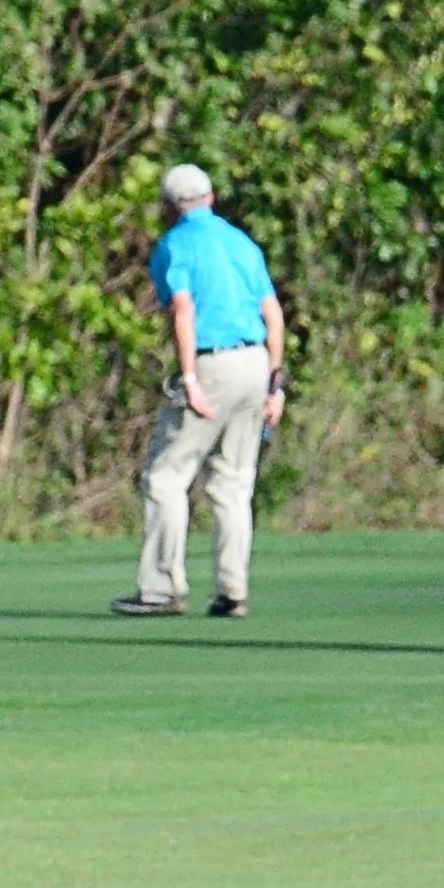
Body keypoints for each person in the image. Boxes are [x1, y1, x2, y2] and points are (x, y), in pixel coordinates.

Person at [112, 164, 285, 618]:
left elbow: (183, 309)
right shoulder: (241, 242)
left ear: (168, 207)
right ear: (211, 197)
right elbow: (273, 313)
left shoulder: (175, 245)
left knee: (166, 476)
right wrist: (276, 384)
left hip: (213, 363)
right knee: (232, 482)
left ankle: (161, 588)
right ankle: (233, 592)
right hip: (256, 362)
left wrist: (189, 379)